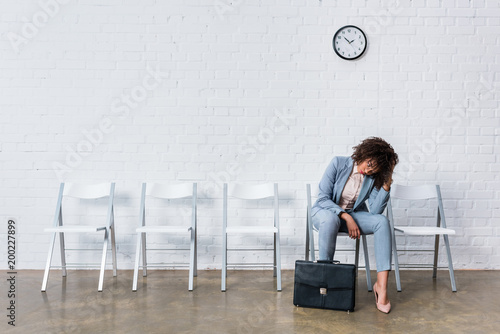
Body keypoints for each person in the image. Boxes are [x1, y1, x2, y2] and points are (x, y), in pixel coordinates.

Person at [311, 137, 398, 313]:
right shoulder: (338, 163)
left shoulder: (372, 177)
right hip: (324, 213)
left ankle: (381, 288)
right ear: (364, 153)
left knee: (382, 222)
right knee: (331, 219)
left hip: (352, 216)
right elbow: (322, 198)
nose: (370, 169)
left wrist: (386, 185)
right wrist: (346, 217)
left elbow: (375, 211)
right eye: (370, 163)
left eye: (375, 168)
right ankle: (325, 283)